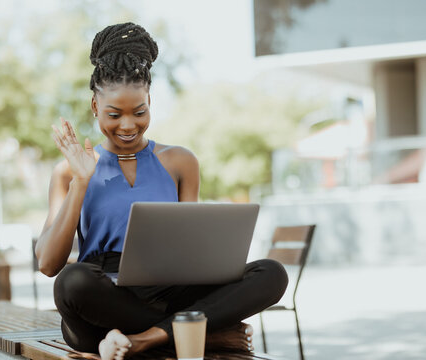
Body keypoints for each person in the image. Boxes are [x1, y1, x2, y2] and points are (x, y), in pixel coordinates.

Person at [35, 22, 288, 359]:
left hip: (170, 286)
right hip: (102, 298)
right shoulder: (69, 170)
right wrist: (81, 182)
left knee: (271, 273)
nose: (127, 125)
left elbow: (191, 249)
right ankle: (200, 333)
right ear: (95, 107)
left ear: (150, 101)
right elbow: (49, 264)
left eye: (139, 112)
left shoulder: (180, 161)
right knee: (71, 282)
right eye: (114, 114)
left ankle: (146, 339)